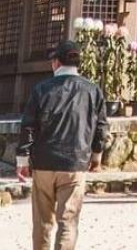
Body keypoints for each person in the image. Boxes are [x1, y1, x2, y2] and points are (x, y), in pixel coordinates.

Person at [17, 40, 108, 250]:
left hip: (44, 162)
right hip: (75, 162)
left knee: (42, 222)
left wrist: (22, 159)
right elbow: (101, 127)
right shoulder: (93, 91)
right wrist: (96, 156)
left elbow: (28, 126)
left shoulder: (41, 89)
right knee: (68, 221)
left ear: (56, 62)